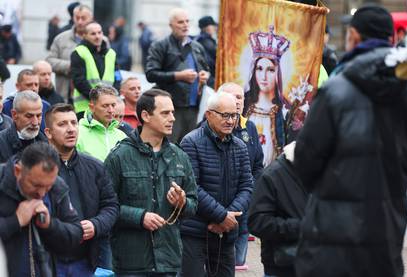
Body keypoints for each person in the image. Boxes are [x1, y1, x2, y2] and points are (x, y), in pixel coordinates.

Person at [293, 4, 407, 277]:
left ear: (355, 37)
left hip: (330, 237)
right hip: (386, 232)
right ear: (391, 40)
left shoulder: (335, 89)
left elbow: (305, 160)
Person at [104, 88, 198, 276]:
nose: (172, 118)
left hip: (168, 261)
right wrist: (139, 217)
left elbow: (193, 204)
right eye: (165, 113)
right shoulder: (119, 156)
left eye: (172, 112)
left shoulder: (179, 156)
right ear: (145, 115)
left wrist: (182, 202)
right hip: (131, 262)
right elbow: (105, 207)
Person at [180, 92, 254, 277]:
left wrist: (227, 219)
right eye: (225, 115)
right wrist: (222, 216)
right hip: (196, 231)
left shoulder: (240, 146)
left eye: (235, 115)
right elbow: (192, 187)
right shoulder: (191, 142)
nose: (231, 121)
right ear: (209, 114)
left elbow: (247, 186)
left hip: (226, 233)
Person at [44, 103, 119, 276]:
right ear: (48, 133)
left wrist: (96, 224)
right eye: (62, 124)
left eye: (73, 123)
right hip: (49, 261)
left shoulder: (95, 166)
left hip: (86, 260)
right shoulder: (37, 169)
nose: (70, 129)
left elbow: (111, 206)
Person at [0, 142, 83, 277]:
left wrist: (50, 225)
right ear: (18, 171)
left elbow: (76, 234)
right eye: (36, 185)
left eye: (48, 186)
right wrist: (15, 221)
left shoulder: (57, 187)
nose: (42, 193)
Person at [218, 82, 264, 271]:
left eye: (239, 97)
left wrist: (250, 192)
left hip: (244, 201)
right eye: (231, 96)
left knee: (239, 263)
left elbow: (258, 165)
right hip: (218, 204)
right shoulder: (207, 128)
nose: (236, 101)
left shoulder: (250, 128)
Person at [146, 8, 210, 143]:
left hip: (195, 108)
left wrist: (205, 76)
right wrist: (178, 76)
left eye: (187, 21)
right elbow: (150, 74)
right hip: (171, 108)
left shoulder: (197, 46)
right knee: (169, 146)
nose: (185, 25)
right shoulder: (160, 46)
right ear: (171, 25)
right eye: (181, 22)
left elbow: (207, 70)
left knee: (190, 148)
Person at [248, 142, 308, 277]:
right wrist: (299, 227)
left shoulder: (324, 172)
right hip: (282, 266)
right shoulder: (273, 175)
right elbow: (256, 222)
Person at [244, 26, 290, 166]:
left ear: (278, 73)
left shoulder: (284, 110)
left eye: (270, 70)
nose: (263, 76)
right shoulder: (243, 103)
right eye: (259, 69)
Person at [71, 21, 121, 117]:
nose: (97, 36)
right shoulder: (79, 52)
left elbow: (118, 77)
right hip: (85, 108)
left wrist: (111, 97)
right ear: (85, 35)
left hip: (108, 108)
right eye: (93, 34)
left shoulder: (111, 53)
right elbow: (79, 81)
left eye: (99, 32)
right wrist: (98, 99)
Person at [46, 4, 93, 102]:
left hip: (90, 97)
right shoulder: (60, 38)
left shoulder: (100, 40)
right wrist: (70, 66)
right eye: (77, 18)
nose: (79, 21)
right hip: (65, 95)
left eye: (83, 18)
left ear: (91, 19)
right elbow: (49, 61)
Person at [76, 86, 126, 162]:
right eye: (105, 106)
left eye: (113, 105)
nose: (111, 110)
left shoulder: (122, 136)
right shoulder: (77, 134)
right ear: (92, 107)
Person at [0, 91, 48, 163]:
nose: (35, 122)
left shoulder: (46, 143)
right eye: (29, 116)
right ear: (14, 115)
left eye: (38, 116)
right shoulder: (2, 143)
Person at [196, 16, 217, 87]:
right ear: (207, 28)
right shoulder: (206, 41)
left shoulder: (199, 39)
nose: (215, 28)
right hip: (208, 77)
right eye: (213, 26)